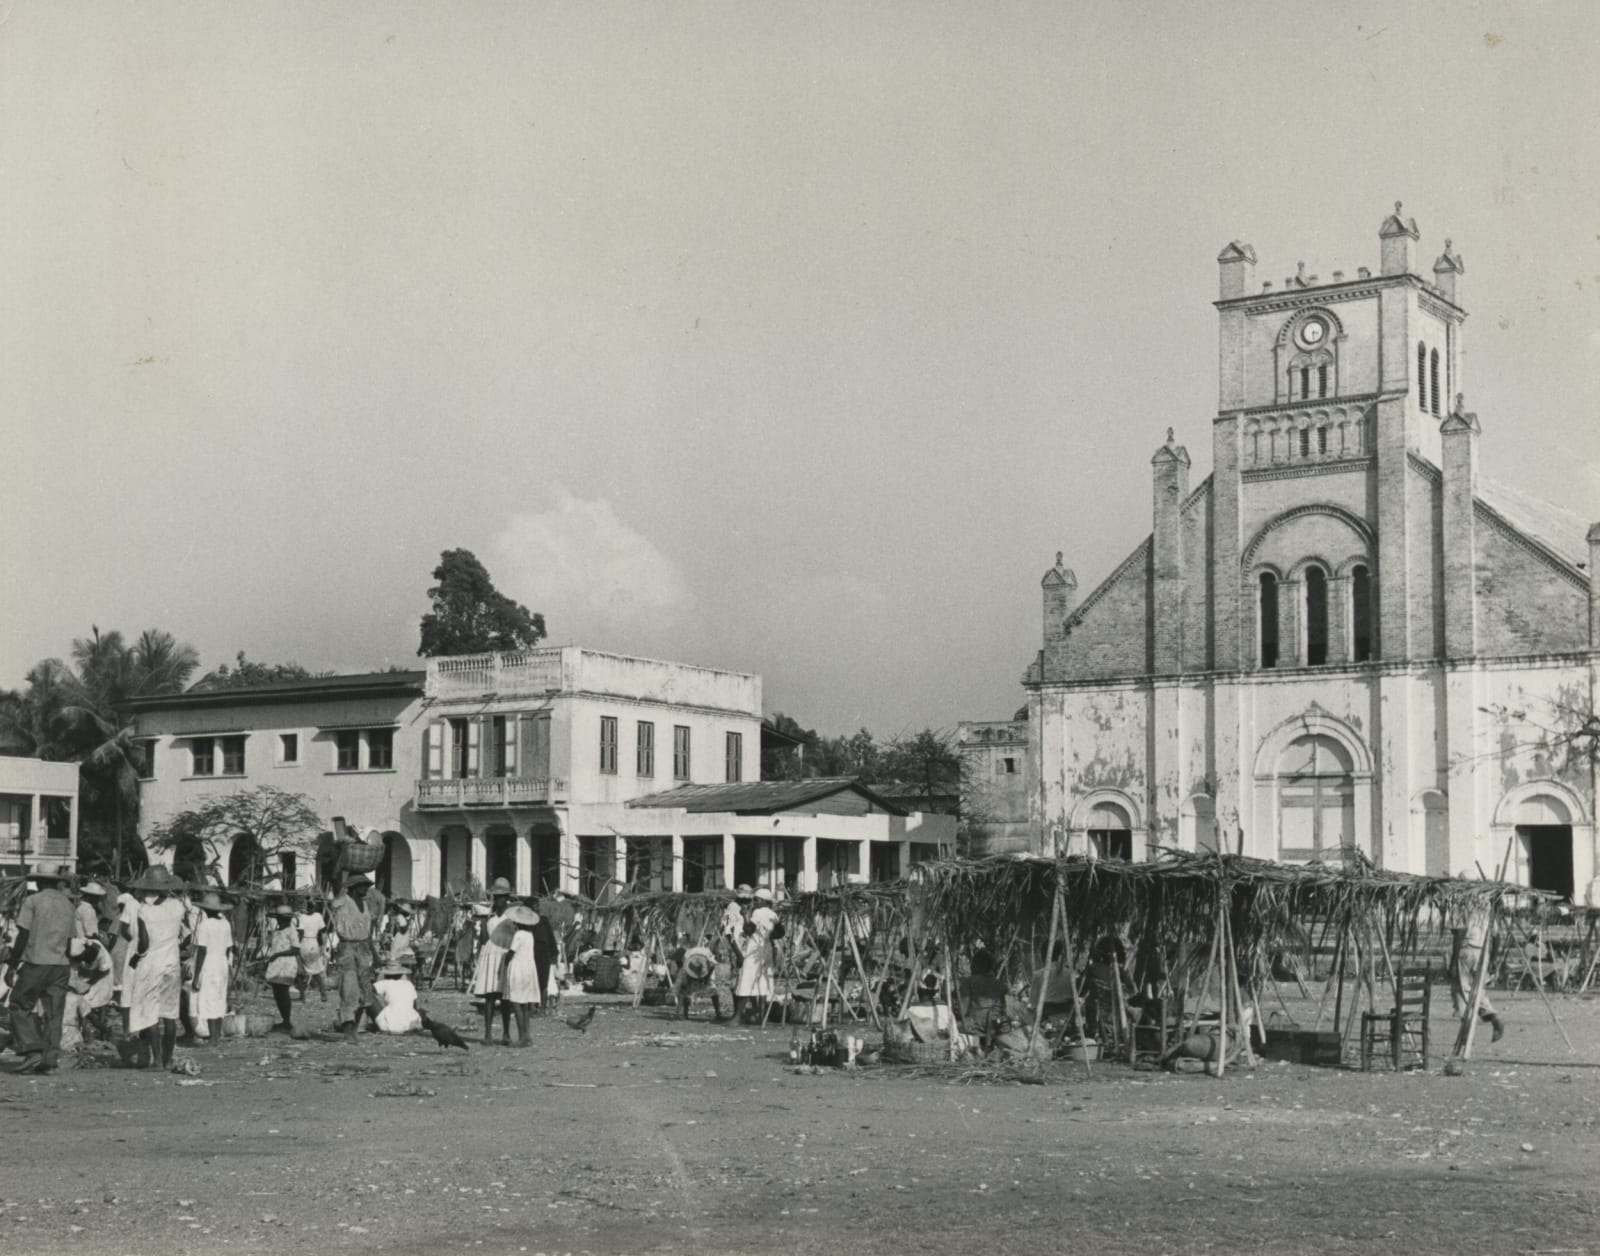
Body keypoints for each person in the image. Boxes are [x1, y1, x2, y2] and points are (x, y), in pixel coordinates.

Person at [4, 867, 78, 1074]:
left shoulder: (33, 901)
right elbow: (71, 941)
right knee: (54, 1014)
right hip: (61, 964)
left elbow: (23, 934)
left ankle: (32, 1049)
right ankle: (50, 1061)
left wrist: (12, 964)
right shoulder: (68, 904)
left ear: (38, 882)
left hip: (36, 961)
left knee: (20, 1005)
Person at [125, 866, 189, 1069]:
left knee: (149, 1011)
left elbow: (143, 942)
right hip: (172, 962)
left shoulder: (145, 911)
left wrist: (136, 957)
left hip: (151, 962)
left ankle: (158, 1059)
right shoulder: (177, 906)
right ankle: (168, 1058)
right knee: (169, 1013)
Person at [328, 873, 384, 1042]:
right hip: (347, 949)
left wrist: (375, 955)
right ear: (353, 888)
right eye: (362, 886)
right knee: (349, 989)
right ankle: (347, 1029)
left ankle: (355, 1028)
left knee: (364, 992)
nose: (366, 889)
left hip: (363, 949)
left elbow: (367, 934)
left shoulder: (365, 906)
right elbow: (334, 903)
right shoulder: (343, 903)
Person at [1451, 900, 1505, 1042]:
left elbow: (1459, 934)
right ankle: (1492, 1015)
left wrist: (1452, 960)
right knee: (1477, 989)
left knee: (1461, 989)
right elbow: (1496, 936)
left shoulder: (1461, 906)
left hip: (1466, 950)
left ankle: (1466, 1023)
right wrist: (1493, 958)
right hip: (1482, 952)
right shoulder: (1487, 911)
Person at [471, 878, 515, 1045]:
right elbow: (483, 940)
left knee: (504, 999)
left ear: (507, 898)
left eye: (502, 897)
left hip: (504, 956)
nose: (499, 900)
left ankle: (506, 1034)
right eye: (496, 897)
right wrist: (482, 924)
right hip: (490, 957)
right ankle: (488, 1034)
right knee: (489, 997)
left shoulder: (510, 918)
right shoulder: (489, 919)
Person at [191, 893, 234, 1045]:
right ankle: (216, 1036)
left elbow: (202, 951)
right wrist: (228, 965)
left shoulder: (205, 925)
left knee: (209, 999)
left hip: (209, 963)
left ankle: (213, 1037)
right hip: (222, 962)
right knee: (219, 998)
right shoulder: (225, 924)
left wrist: (196, 975)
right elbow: (229, 948)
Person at [61, 935, 115, 1050]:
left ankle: (101, 1030)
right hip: (82, 980)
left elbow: (103, 971)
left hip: (99, 976)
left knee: (98, 999)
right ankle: (98, 1030)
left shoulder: (98, 952)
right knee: (86, 1009)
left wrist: (89, 983)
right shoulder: (75, 947)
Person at [734, 887, 779, 1024]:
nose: (754, 902)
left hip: (754, 949)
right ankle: (762, 1016)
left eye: (756, 900)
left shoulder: (758, 913)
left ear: (761, 901)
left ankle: (737, 1017)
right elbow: (780, 932)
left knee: (746, 980)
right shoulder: (773, 914)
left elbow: (748, 930)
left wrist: (745, 915)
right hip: (766, 948)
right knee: (763, 982)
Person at [500, 904, 542, 1046]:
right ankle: (527, 1034)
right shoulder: (530, 935)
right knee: (524, 1005)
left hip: (518, 969)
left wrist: (504, 962)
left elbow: (511, 953)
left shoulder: (518, 935)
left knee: (517, 1004)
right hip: (528, 970)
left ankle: (522, 1037)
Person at [263, 905, 301, 1033]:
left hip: (286, 964)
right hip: (276, 964)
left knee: (283, 992)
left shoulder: (291, 930)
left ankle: (287, 1021)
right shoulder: (278, 931)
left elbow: (295, 949)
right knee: (277, 992)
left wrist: (278, 954)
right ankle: (285, 1019)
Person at [373, 959, 422, 1034]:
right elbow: (414, 1006)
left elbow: (368, 989)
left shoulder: (385, 983)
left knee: (369, 997)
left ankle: (360, 1025)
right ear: (401, 974)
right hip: (410, 1023)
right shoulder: (408, 984)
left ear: (385, 974)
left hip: (390, 1026)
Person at [296, 901, 329, 1002]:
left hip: (304, 943)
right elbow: (323, 931)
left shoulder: (301, 917)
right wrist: (323, 945)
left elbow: (300, 932)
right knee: (317, 971)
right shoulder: (318, 916)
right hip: (314, 943)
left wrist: (296, 945)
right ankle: (323, 994)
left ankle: (302, 996)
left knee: (300, 972)